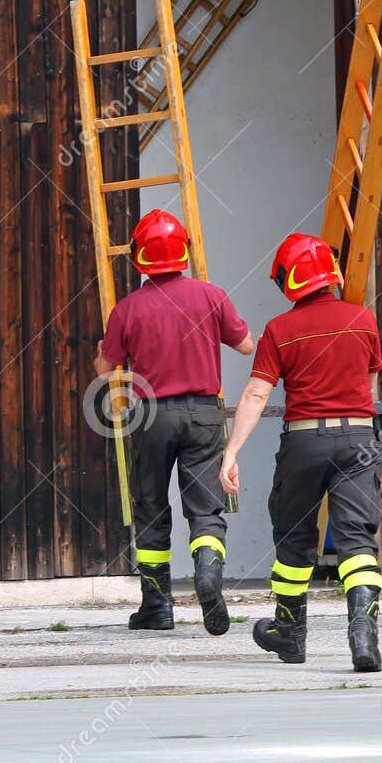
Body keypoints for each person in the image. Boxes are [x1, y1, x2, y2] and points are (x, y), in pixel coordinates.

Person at [219, 232, 382, 673]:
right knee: (357, 539)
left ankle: (290, 634)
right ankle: (364, 636)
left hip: (304, 441)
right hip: (361, 439)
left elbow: (256, 394)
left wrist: (231, 452)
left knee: (295, 535)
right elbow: (368, 386)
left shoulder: (280, 330)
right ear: (329, 275)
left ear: (289, 281)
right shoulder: (363, 319)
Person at [95, 209, 252, 635]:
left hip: (150, 416)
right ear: (184, 251)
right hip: (203, 412)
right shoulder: (212, 295)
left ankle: (157, 606)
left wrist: (103, 350)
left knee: (149, 505)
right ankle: (208, 573)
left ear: (140, 258)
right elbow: (245, 345)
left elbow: (104, 371)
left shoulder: (128, 309)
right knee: (206, 506)